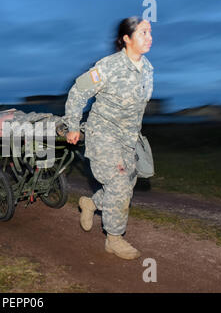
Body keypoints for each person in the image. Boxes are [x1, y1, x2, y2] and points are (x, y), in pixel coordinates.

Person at [64, 17, 153, 260]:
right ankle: (114, 238)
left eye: (150, 32)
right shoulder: (108, 66)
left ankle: (91, 204)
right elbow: (78, 90)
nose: (149, 37)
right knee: (120, 183)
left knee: (127, 186)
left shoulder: (148, 69)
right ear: (126, 38)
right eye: (143, 32)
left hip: (128, 138)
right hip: (103, 134)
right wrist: (73, 125)